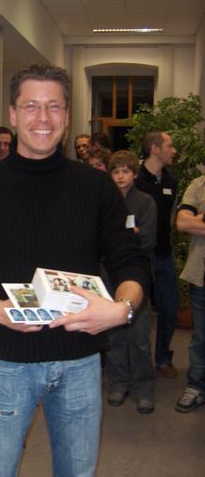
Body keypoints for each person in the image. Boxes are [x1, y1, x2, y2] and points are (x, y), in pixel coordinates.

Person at [0, 64, 149, 477]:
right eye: (31, 106)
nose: (42, 117)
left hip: (80, 360)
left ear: (67, 115)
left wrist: (122, 310)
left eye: (53, 106)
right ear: (13, 114)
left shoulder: (96, 187)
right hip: (4, 361)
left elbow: (130, 261)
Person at [106, 150, 157, 413]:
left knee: (138, 336)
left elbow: (148, 239)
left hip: (137, 276)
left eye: (125, 171)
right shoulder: (106, 201)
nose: (120, 176)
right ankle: (118, 383)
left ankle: (144, 387)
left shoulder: (145, 201)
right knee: (115, 336)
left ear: (135, 174)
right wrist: (130, 232)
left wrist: (129, 233)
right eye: (115, 172)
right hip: (109, 275)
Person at [136, 131, 179, 378]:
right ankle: (136, 366)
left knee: (170, 309)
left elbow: (171, 217)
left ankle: (163, 359)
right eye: (169, 146)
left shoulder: (171, 181)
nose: (174, 151)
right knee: (137, 315)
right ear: (155, 148)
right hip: (140, 257)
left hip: (164, 255)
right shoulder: (135, 178)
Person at [175, 175, 205, 412]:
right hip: (201, 276)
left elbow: (192, 222)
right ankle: (196, 387)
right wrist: (192, 220)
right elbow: (183, 223)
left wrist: (199, 221)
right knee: (200, 338)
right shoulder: (198, 185)